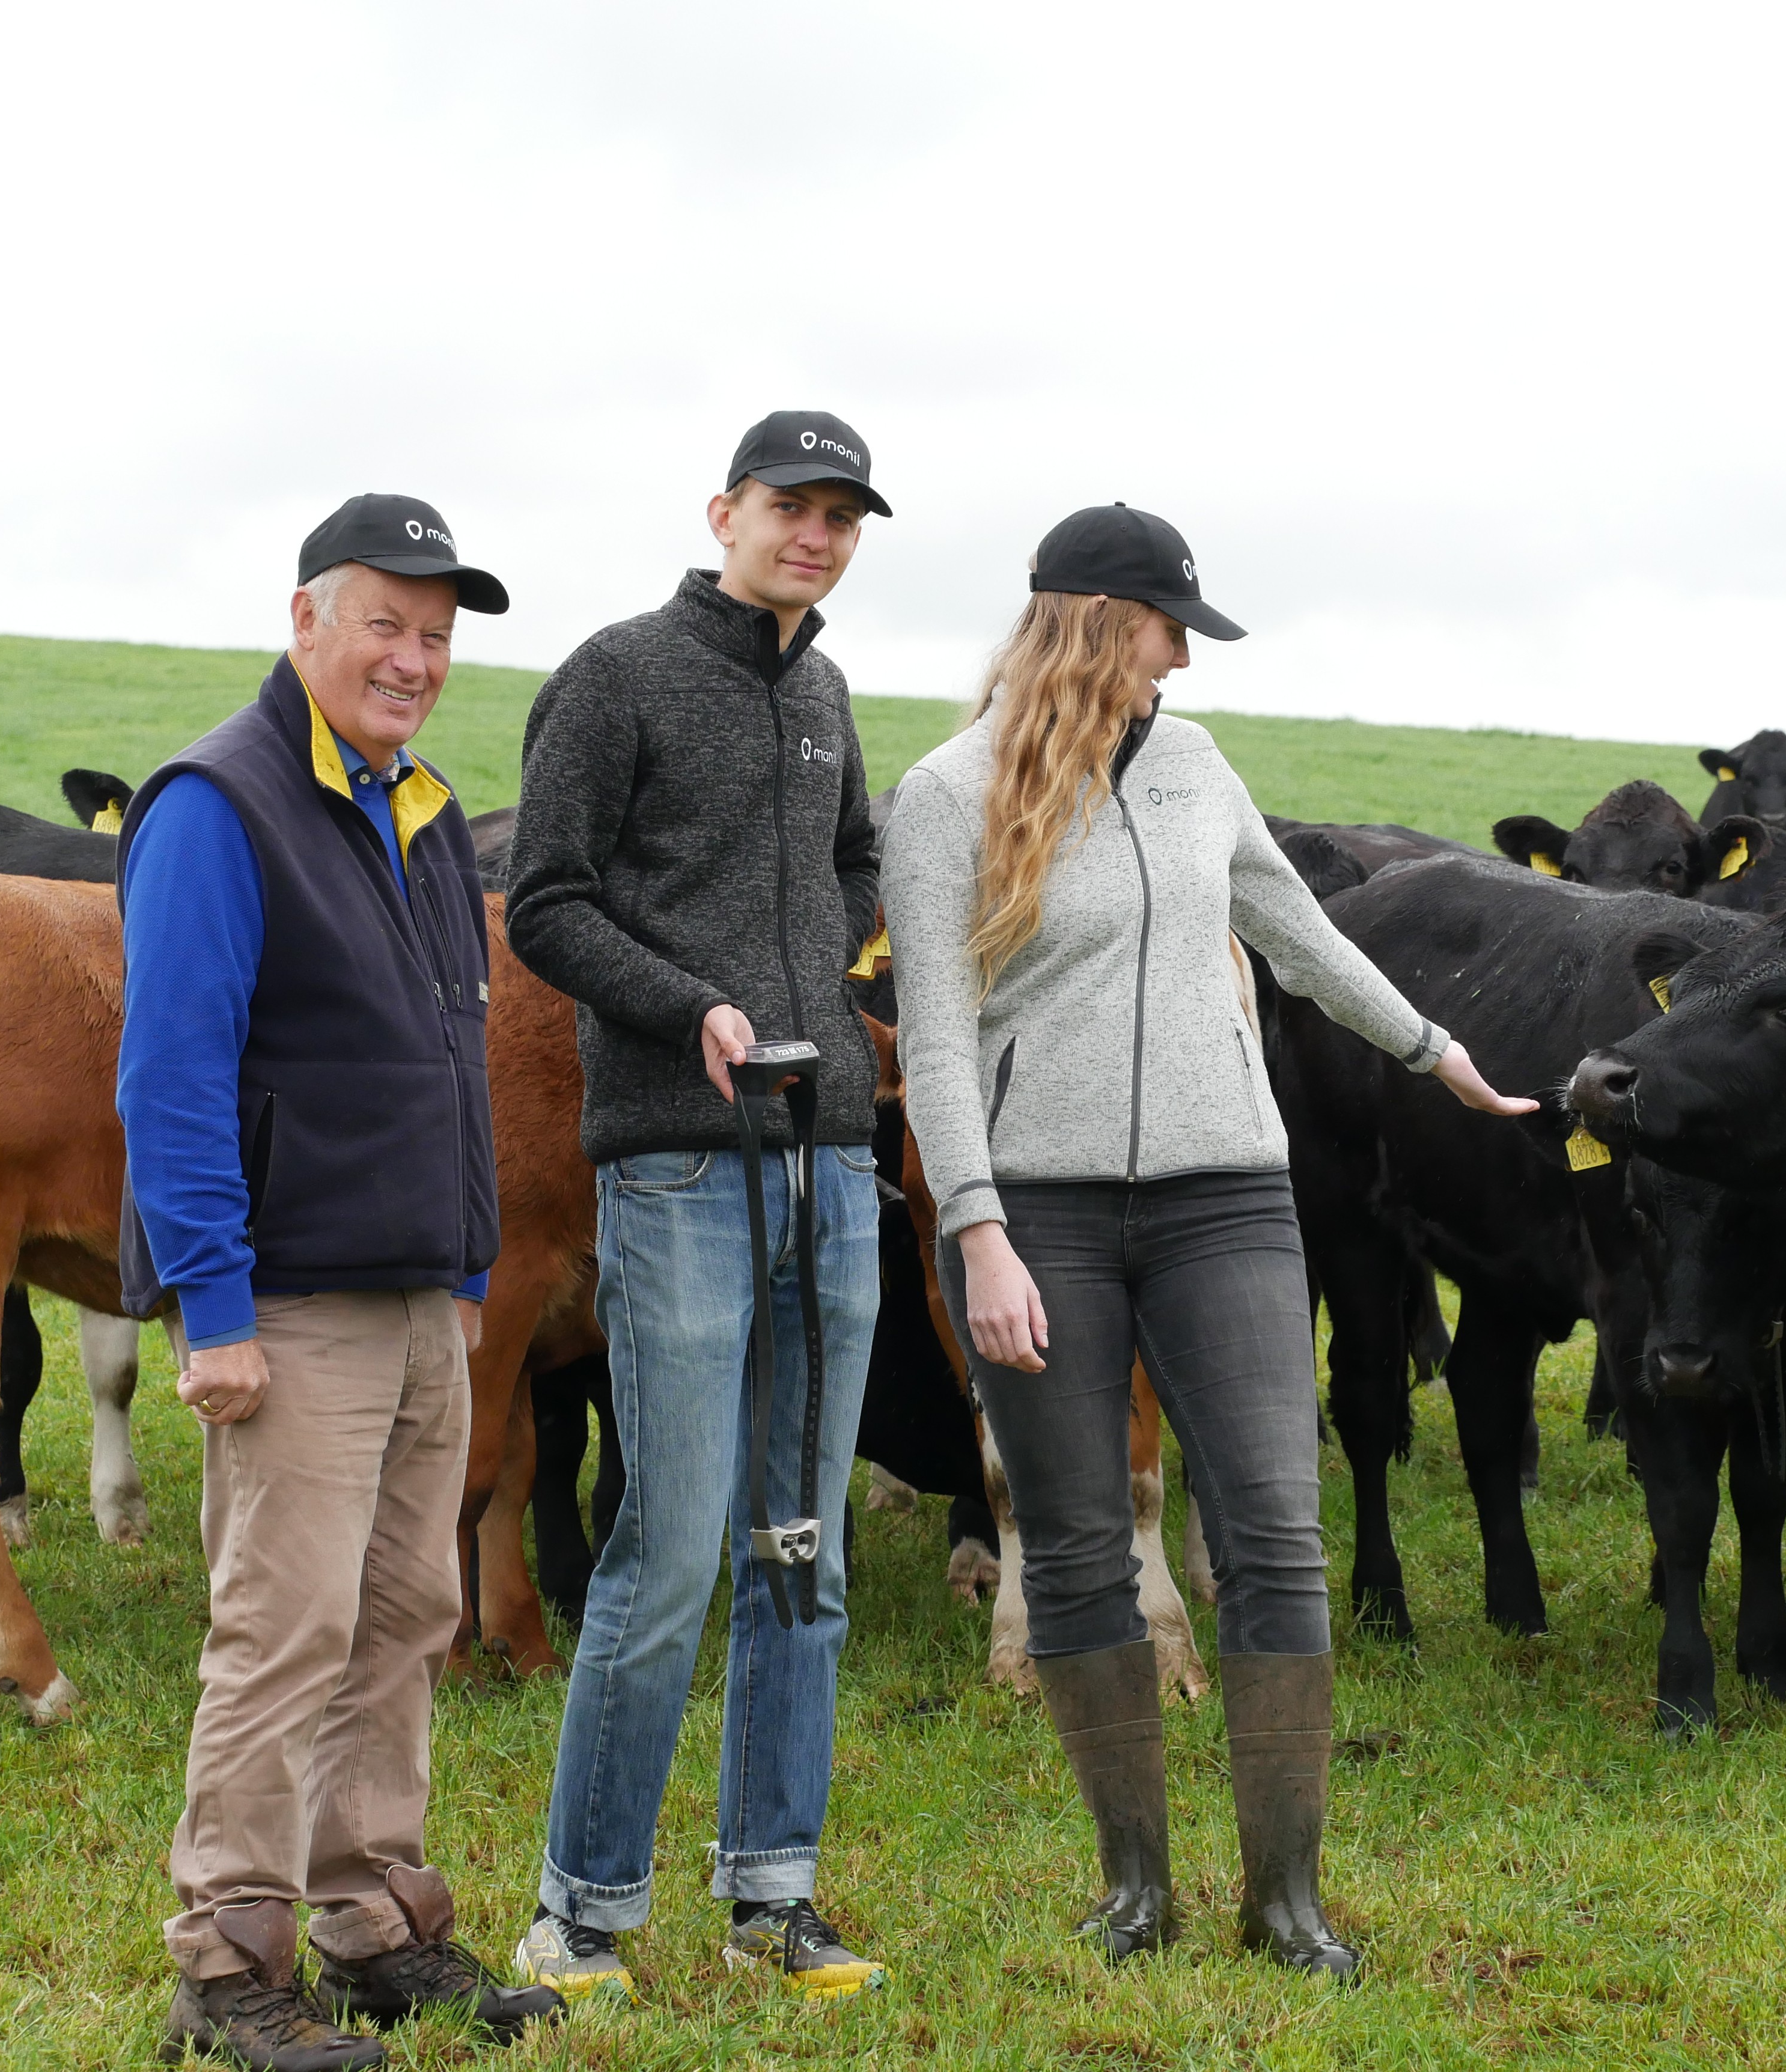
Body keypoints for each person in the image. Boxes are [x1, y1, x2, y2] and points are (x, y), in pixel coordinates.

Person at [880, 504, 1535, 1978]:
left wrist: (1437, 1051)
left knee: (1277, 1536)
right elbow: (932, 1037)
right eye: (1168, 625)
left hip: (1228, 1189)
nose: (1183, 653)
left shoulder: (1190, 766)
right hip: (1037, 1205)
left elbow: (1298, 931)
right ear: (1098, 620)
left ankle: (1285, 1897)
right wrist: (977, 1231)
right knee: (1077, 1545)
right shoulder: (946, 793)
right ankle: (1134, 1887)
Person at [118, 495, 564, 2067]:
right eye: (386, 621)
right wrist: (215, 1309)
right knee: (284, 1624)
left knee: (407, 1609)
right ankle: (229, 1965)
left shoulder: (428, 813)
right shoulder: (216, 806)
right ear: (305, 618)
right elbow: (171, 1075)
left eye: (438, 635)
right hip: (290, 1301)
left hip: (420, 1295)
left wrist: (464, 1271)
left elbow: (452, 1065)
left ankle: (373, 1925)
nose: (415, 658)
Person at [501, 412, 894, 2004]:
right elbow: (545, 902)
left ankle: (772, 1898)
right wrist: (699, 1007)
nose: (816, 535)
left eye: (843, 516)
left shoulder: (825, 690)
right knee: (669, 1549)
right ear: (724, 508)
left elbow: (857, 859)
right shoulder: (616, 675)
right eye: (792, 508)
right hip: (679, 1161)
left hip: (834, 1163)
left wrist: (820, 967)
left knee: (805, 1544)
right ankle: (579, 1915)